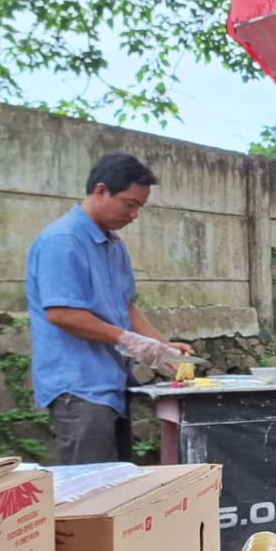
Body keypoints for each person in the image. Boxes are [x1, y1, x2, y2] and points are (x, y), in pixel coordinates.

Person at [26, 152, 194, 464]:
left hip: (112, 383)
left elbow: (125, 306)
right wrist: (126, 339)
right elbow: (62, 314)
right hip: (78, 388)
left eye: (140, 207)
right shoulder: (62, 241)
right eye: (130, 204)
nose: (134, 215)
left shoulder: (113, 245)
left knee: (116, 484)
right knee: (89, 489)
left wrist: (163, 347)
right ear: (101, 190)